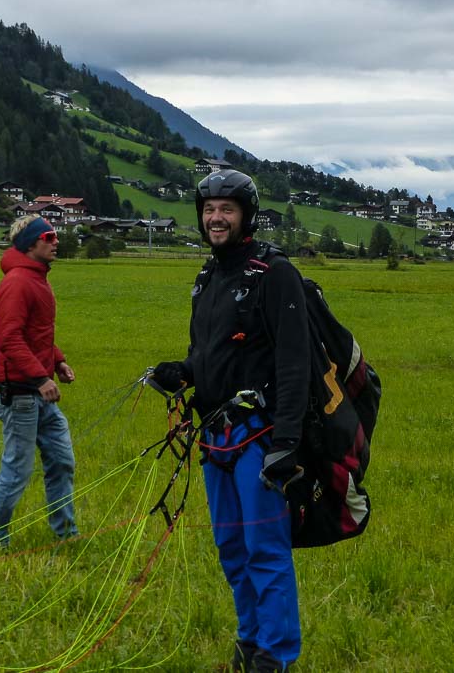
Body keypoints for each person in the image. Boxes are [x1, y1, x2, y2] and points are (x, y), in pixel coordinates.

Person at [151, 170, 310, 673]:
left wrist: (287, 442)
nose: (216, 218)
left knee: (264, 549)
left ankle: (275, 655)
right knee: (231, 548)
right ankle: (250, 639)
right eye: (209, 210)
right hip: (215, 437)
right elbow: (208, 354)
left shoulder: (274, 274)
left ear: (246, 215)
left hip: (260, 436)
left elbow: (295, 363)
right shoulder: (208, 277)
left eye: (227, 209)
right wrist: (182, 373)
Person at [0, 214, 78, 547]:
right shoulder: (18, 283)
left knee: (62, 462)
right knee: (17, 472)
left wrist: (58, 361)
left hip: (38, 394)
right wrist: (40, 377)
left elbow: (37, 334)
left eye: (55, 236)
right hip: (20, 394)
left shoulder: (37, 279)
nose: (56, 242)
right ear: (30, 244)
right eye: (48, 237)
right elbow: (9, 338)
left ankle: (66, 536)